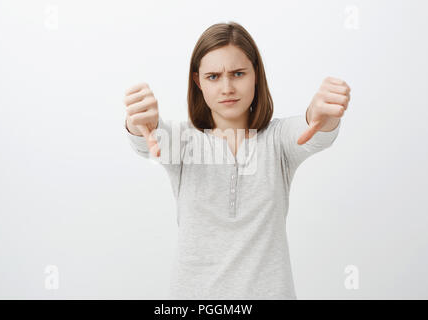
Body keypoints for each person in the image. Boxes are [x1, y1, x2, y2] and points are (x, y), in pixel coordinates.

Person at [123, 21, 351, 300]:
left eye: (238, 73)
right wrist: (140, 123)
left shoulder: (277, 140)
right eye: (213, 77)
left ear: (256, 75)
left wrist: (321, 115)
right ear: (198, 82)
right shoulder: (183, 142)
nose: (227, 87)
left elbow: (311, 131)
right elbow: (147, 141)